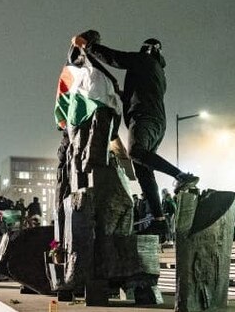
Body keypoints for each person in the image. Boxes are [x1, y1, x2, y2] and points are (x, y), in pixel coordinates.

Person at [71, 33, 199, 239]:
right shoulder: (157, 72)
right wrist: (121, 94)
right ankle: (159, 221)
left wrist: (89, 46)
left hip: (144, 117)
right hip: (156, 121)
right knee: (143, 170)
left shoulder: (144, 60)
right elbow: (140, 92)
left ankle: (181, 176)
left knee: (136, 152)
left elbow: (116, 58)